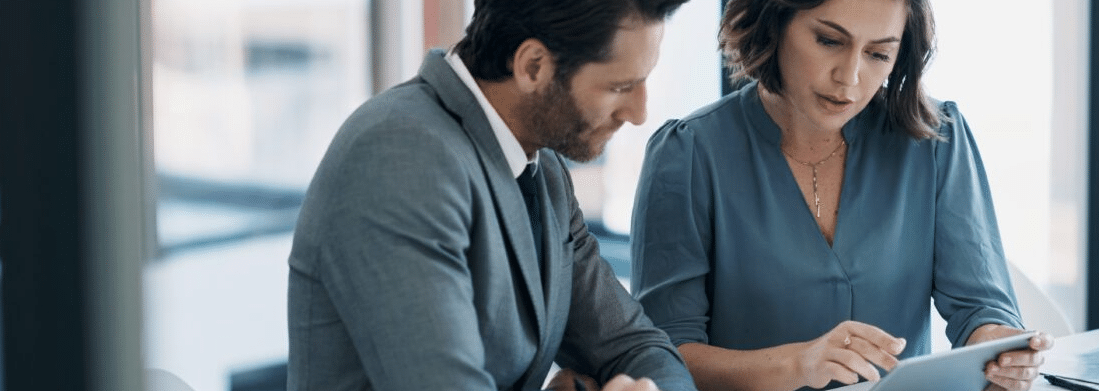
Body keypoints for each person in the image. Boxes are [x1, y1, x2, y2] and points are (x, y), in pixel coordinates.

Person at [629, 0, 1054, 390]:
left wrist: (1002, 348)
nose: (849, 78)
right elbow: (663, 357)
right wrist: (799, 364)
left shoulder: (936, 140)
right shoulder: (687, 155)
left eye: (878, 54)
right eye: (829, 41)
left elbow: (982, 310)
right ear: (774, 22)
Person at [286, 0, 697, 390]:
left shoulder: (543, 168)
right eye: (621, 86)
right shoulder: (397, 156)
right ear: (533, 66)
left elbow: (638, 347)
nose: (639, 113)